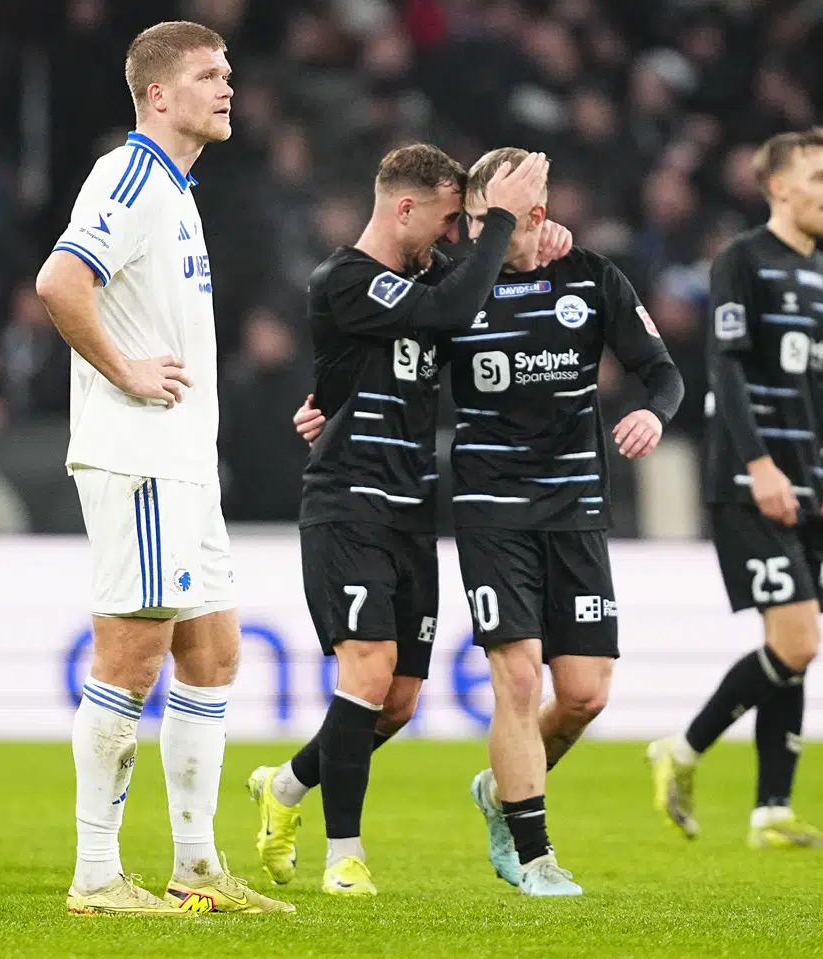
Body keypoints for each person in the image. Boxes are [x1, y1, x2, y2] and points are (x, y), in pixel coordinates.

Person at [33, 20, 291, 917]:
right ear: (158, 95)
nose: (229, 87)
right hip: (138, 456)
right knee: (132, 656)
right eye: (209, 75)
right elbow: (61, 281)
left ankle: (195, 863)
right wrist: (126, 369)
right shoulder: (132, 175)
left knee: (214, 652)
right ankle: (96, 873)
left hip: (184, 462)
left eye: (230, 71)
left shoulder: (179, 190)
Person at [244, 144, 550, 897]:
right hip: (348, 501)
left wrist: (541, 238)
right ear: (404, 206)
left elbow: (489, 284)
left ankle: (283, 786)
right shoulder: (345, 279)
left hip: (414, 508)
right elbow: (453, 308)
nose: (454, 238)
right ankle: (344, 853)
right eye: (448, 221)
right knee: (369, 667)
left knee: (400, 699)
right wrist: (500, 219)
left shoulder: (431, 275)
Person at [449, 148, 684, 895]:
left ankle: (499, 788)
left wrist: (652, 409)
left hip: (575, 503)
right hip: (491, 506)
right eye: (474, 219)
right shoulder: (454, 286)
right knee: (516, 675)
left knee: (583, 694)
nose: (476, 233)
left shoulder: (590, 277)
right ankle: (533, 849)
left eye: (494, 221)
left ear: (538, 218)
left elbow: (663, 371)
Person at [647, 127, 823, 850]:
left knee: (790, 643)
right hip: (749, 478)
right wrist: (758, 464)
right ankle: (684, 745)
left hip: (806, 473)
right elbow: (725, 367)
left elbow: (819, 379)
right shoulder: (740, 259)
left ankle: (771, 811)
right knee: (799, 639)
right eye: (821, 176)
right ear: (779, 187)